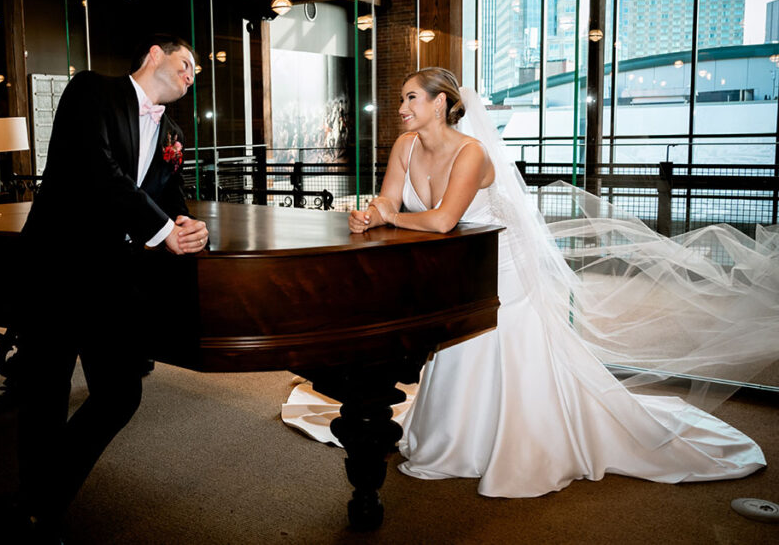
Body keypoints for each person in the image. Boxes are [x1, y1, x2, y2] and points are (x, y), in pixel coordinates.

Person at [283, 66, 772, 498]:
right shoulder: (405, 146)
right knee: (451, 347)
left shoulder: (471, 153)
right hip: (453, 268)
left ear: (440, 104)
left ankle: (520, 443)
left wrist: (389, 220)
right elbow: (390, 200)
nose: (402, 106)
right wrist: (372, 214)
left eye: (412, 97)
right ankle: (452, 437)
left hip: (500, 267)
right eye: (403, 97)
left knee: (501, 348)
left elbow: (441, 221)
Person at [6, 34, 210, 541]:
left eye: (196, 74)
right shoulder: (91, 91)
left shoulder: (173, 131)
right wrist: (164, 233)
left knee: (120, 393)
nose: (191, 76)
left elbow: (170, 192)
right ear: (154, 54)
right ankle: (40, 513)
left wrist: (187, 224)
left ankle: (36, 496)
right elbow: (99, 171)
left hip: (112, 277)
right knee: (45, 396)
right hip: (55, 269)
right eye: (186, 64)